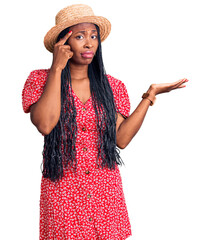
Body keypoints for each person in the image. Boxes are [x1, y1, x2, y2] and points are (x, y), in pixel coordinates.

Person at [22, 4, 188, 240]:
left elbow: (121, 139)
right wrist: (57, 68)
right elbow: (45, 125)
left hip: (105, 189)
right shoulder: (40, 79)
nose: (89, 43)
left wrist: (150, 95)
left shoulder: (112, 86)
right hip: (63, 190)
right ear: (62, 43)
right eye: (79, 36)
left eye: (93, 36)